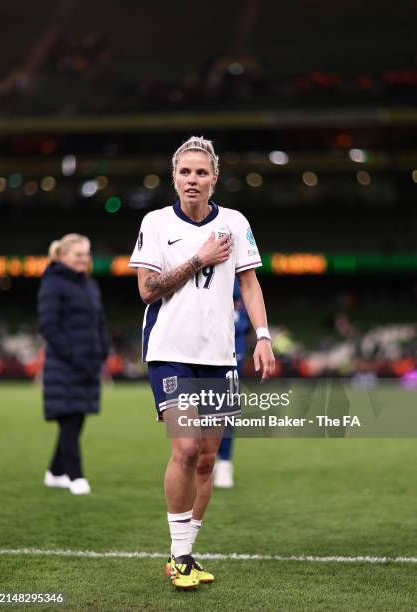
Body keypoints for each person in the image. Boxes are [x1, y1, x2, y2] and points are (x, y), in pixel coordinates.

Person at [129, 136, 275, 589]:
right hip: (170, 352)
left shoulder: (234, 222)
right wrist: (198, 258)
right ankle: (177, 557)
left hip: (220, 358)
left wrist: (263, 337)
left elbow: (248, 284)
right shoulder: (155, 223)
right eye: (185, 172)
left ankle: (187, 555)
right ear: (174, 177)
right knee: (186, 449)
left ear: (215, 178)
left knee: (208, 459)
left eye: (201, 172)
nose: (192, 180)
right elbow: (147, 289)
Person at [38, 233, 110, 495]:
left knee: (77, 418)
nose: (84, 259)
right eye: (78, 254)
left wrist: (103, 349)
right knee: (69, 419)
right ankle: (76, 476)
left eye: (86, 254)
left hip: (88, 364)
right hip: (64, 364)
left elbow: (99, 322)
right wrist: (73, 356)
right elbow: (48, 326)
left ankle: (55, 472)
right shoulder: (53, 283)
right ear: (62, 256)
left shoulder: (89, 285)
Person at [213, 278, 250, 488]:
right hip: (199, 344)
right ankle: (198, 459)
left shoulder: (237, 273)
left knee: (226, 406)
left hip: (232, 346)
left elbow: (243, 314)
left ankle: (225, 462)